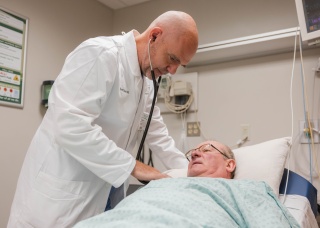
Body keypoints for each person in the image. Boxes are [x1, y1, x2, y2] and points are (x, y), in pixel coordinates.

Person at [8, 11, 199, 227]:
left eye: (180, 65)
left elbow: (159, 136)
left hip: (107, 194)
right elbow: (69, 124)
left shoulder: (147, 82)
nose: (172, 70)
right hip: (61, 198)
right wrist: (133, 167)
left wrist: (191, 175)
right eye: (172, 58)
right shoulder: (100, 54)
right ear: (155, 36)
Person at [73, 140, 299, 228]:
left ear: (230, 165)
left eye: (207, 149)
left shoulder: (247, 189)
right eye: (194, 151)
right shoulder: (162, 183)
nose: (196, 153)